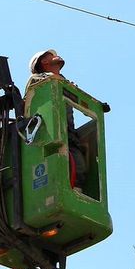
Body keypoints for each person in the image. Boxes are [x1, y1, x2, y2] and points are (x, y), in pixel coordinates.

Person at [27, 49, 87, 191]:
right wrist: (67, 85)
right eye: (51, 55)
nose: (56, 56)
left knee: (79, 167)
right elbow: (50, 81)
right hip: (48, 133)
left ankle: (75, 193)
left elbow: (82, 102)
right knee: (56, 164)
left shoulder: (63, 82)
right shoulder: (37, 79)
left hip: (69, 134)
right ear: (44, 61)